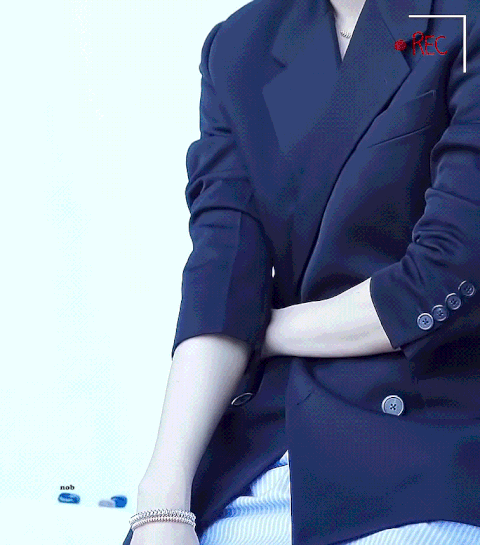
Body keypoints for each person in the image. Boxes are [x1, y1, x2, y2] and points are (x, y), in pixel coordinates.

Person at [123, 0, 480, 543]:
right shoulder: (246, 44)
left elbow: (447, 271)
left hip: (429, 437)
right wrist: (163, 501)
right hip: (272, 440)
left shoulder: (462, 21)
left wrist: (260, 330)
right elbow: (222, 275)